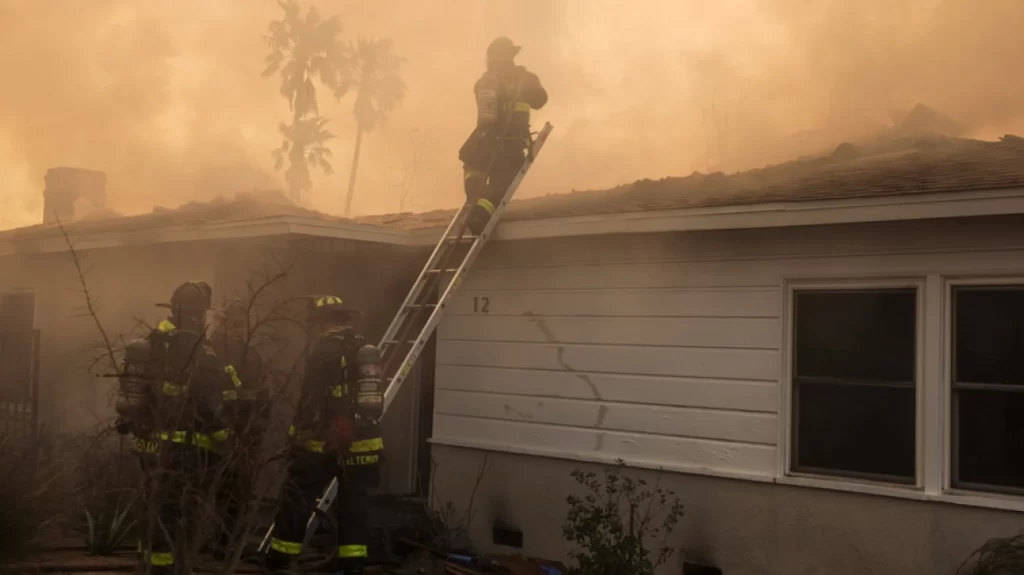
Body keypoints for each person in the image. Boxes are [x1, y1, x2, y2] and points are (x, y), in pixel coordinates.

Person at [264, 295, 385, 575]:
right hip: (364, 443)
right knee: (354, 505)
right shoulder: (363, 349)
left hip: (325, 443)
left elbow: (310, 401)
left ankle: (280, 560)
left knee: (297, 496)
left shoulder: (322, 352)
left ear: (323, 323)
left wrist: (296, 435)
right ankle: (352, 564)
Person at [129, 281, 230, 575]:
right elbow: (207, 399)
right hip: (181, 446)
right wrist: (224, 434)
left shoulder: (156, 338)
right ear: (197, 313)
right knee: (175, 508)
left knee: (152, 502)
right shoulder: (196, 347)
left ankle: (147, 562)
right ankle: (166, 567)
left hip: (150, 440)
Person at [459, 36, 548, 235]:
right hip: (510, 143)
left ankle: (474, 205)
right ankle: (479, 213)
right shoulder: (526, 78)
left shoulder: (485, 82)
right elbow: (541, 100)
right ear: (512, 54)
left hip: (486, 139)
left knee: (472, 162)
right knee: (501, 183)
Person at [209, 298, 271, 557]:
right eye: (232, 324)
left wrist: (255, 432)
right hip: (225, 436)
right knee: (222, 491)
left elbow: (264, 398)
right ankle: (216, 544)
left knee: (228, 492)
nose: (236, 329)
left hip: (232, 436)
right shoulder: (212, 352)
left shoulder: (246, 356)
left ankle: (221, 544)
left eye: (239, 324)